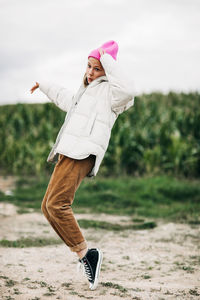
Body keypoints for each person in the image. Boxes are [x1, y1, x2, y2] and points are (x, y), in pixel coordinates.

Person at [30, 40, 134, 290]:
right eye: (88, 66)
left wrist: (106, 59)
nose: (90, 72)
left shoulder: (112, 94)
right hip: (67, 151)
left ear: (107, 70)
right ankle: (86, 255)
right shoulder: (84, 91)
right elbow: (65, 99)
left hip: (82, 152)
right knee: (48, 207)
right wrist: (44, 86)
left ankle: (88, 255)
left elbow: (129, 92)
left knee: (58, 204)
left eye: (96, 68)